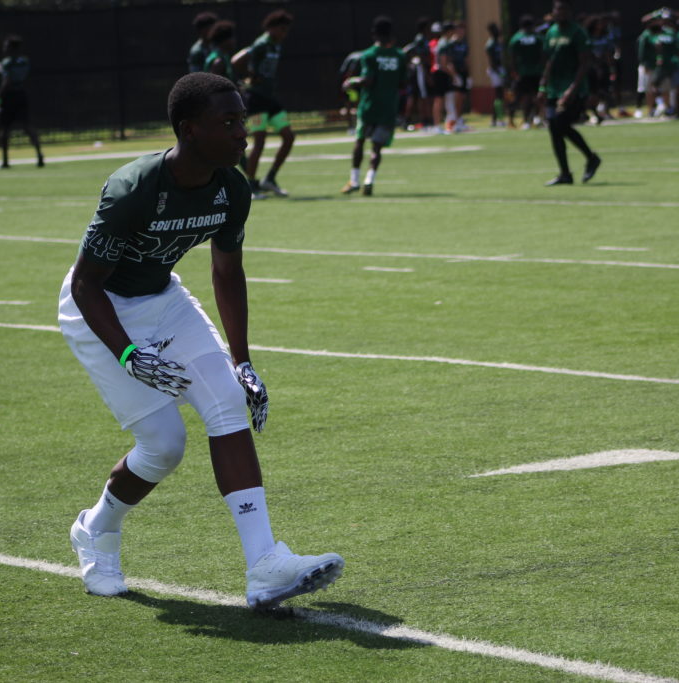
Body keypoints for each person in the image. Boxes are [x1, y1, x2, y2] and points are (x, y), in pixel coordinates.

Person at [59, 72, 344, 608]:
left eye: (243, 120)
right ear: (190, 130)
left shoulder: (232, 187)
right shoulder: (133, 188)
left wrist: (244, 361)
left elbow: (227, 271)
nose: (243, 134)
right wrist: (128, 353)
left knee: (227, 400)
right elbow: (85, 284)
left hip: (164, 299)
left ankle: (264, 565)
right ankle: (96, 529)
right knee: (164, 446)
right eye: (229, 122)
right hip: (101, 308)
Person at [340, 16, 407, 196]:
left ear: (374, 34)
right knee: (376, 148)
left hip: (369, 106)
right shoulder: (399, 56)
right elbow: (403, 83)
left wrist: (351, 82)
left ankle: (354, 180)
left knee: (360, 141)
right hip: (388, 107)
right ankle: (369, 180)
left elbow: (368, 80)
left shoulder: (369, 55)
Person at [233, 9, 295, 198]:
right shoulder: (261, 44)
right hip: (256, 98)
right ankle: (252, 185)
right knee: (259, 141)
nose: (285, 33)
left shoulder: (276, 45)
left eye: (286, 30)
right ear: (271, 27)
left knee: (288, 137)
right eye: (282, 29)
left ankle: (270, 179)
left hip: (269, 99)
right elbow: (236, 61)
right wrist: (250, 76)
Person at [539, 0, 600, 187]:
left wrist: (572, 89)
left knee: (560, 124)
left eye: (564, 9)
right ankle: (565, 173)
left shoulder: (578, 32)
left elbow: (584, 63)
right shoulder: (551, 32)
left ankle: (591, 158)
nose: (560, 12)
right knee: (554, 129)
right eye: (557, 9)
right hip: (554, 89)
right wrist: (542, 86)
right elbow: (549, 62)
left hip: (574, 89)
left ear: (570, 11)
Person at [0, 35, 44, 169]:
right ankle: (39, 155)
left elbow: (6, 82)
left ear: (12, 48)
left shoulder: (7, 62)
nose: (4, 48)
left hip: (9, 97)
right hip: (21, 94)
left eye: (6, 46)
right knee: (27, 126)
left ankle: (5, 161)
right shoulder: (24, 61)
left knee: (5, 129)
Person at [507, 15, 544, 129]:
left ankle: (526, 120)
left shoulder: (516, 39)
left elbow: (512, 58)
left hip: (522, 73)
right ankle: (536, 117)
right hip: (537, 72)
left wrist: (513, 71)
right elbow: (543, 55)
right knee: (537, 95)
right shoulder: (538, 38)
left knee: (523, 97)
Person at [402, 18, 433, 131]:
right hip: (419, 69)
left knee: (417, 95)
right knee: (421, 95)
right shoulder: (421, 39)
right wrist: (426, 74)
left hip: (419, 68)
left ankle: (420, 119)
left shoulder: (422, 39)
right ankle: (424, 120)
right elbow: (420, 56)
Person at [485, 22, 507, 127]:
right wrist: (499, 73)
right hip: (495, 71)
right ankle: (496, 119)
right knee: (498, 94)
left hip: (500, 69)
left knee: (501, 95)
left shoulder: (499, 42)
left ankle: (497, 118)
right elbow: (491, 61)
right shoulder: (490, 44)